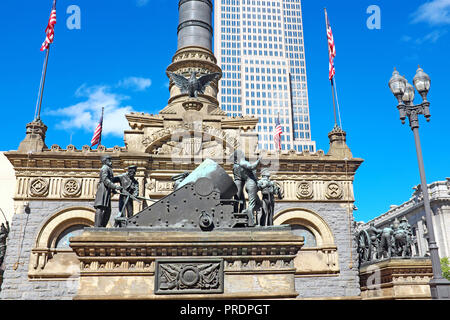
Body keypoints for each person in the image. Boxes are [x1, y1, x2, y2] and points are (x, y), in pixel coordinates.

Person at [232, 150, 261, 227]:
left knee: (239, 200)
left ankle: (239, 213)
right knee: (251, 204)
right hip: (250, 183)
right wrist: (259, 160)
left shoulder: (235, 165)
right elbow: (251, 167)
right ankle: (250, 221)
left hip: (240, 183)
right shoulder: (243, 162)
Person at [94, 155, 122, 227]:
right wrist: (115, 186)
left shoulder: (108, 168)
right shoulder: (105, 168)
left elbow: (110, 180)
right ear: (105, 160)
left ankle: (102, 225)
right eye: (109, 160)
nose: (111, 162)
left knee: (107, 209)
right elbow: (105, 180)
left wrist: (113, 190)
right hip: (103, 190)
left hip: (107, 190)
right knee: (101, 207)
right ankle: (97, 226)